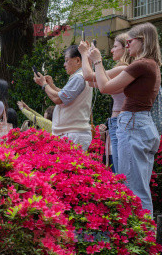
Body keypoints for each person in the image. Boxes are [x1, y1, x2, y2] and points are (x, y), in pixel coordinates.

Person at [88, 22, 161, 215]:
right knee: (139, 187)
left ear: (142, 40)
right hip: (141, 123)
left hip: (133, 124)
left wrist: (97, 61)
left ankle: (143, 239)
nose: (126, 46)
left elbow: (104, 87)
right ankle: (145, 237)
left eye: (129, 42)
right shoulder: (151, 65)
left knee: (134, 190)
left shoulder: (142, 64)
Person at [78, 33, 133, 173]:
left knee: (120, 172)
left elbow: (88, 77)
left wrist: (84, 54)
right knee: (118, 170)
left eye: (115, 46)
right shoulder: (124, 70)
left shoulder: (123, 69)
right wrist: (89, 59)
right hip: (117, 122)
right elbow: (91, 81)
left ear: (125, 48)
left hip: (120, 121)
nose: (112, 50)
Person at [33, 45, 93, 150]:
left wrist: (44, 85)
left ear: (78, 60)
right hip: (72, 134)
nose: (64, 64)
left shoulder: (79, 77)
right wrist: (51, 85)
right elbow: (65, 95)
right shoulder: (79, 76)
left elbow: (59, 99)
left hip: (73, 135)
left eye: (66, 60)